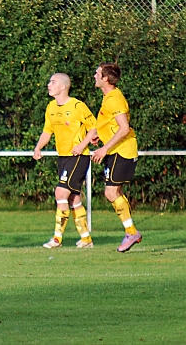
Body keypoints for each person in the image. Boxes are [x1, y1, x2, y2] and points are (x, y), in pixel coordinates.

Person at [33, 73, 97, 249]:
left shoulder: (77, 106)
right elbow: (47, 131)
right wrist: (38, 147)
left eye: (52, 82)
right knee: (73, 198)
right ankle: (86, 239)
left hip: (78, 156)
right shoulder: (51, 107)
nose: (48, 85)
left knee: (60, 193)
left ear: (63, 87)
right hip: (63, 157)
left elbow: (94, 128)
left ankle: (57, 239)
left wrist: (82, 145)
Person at [92, 62, 142, 252]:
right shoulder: (108, 98)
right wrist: (100, 136)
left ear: (106, 78)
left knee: (111, 192)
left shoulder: (114, 98)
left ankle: (131, 232)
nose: (94, 76)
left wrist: (104, 148)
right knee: (114, 192)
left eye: (97, 74)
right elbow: (112, 125)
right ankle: (131, 232)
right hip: (116, 150)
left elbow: (124, 128)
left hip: (122, 151)